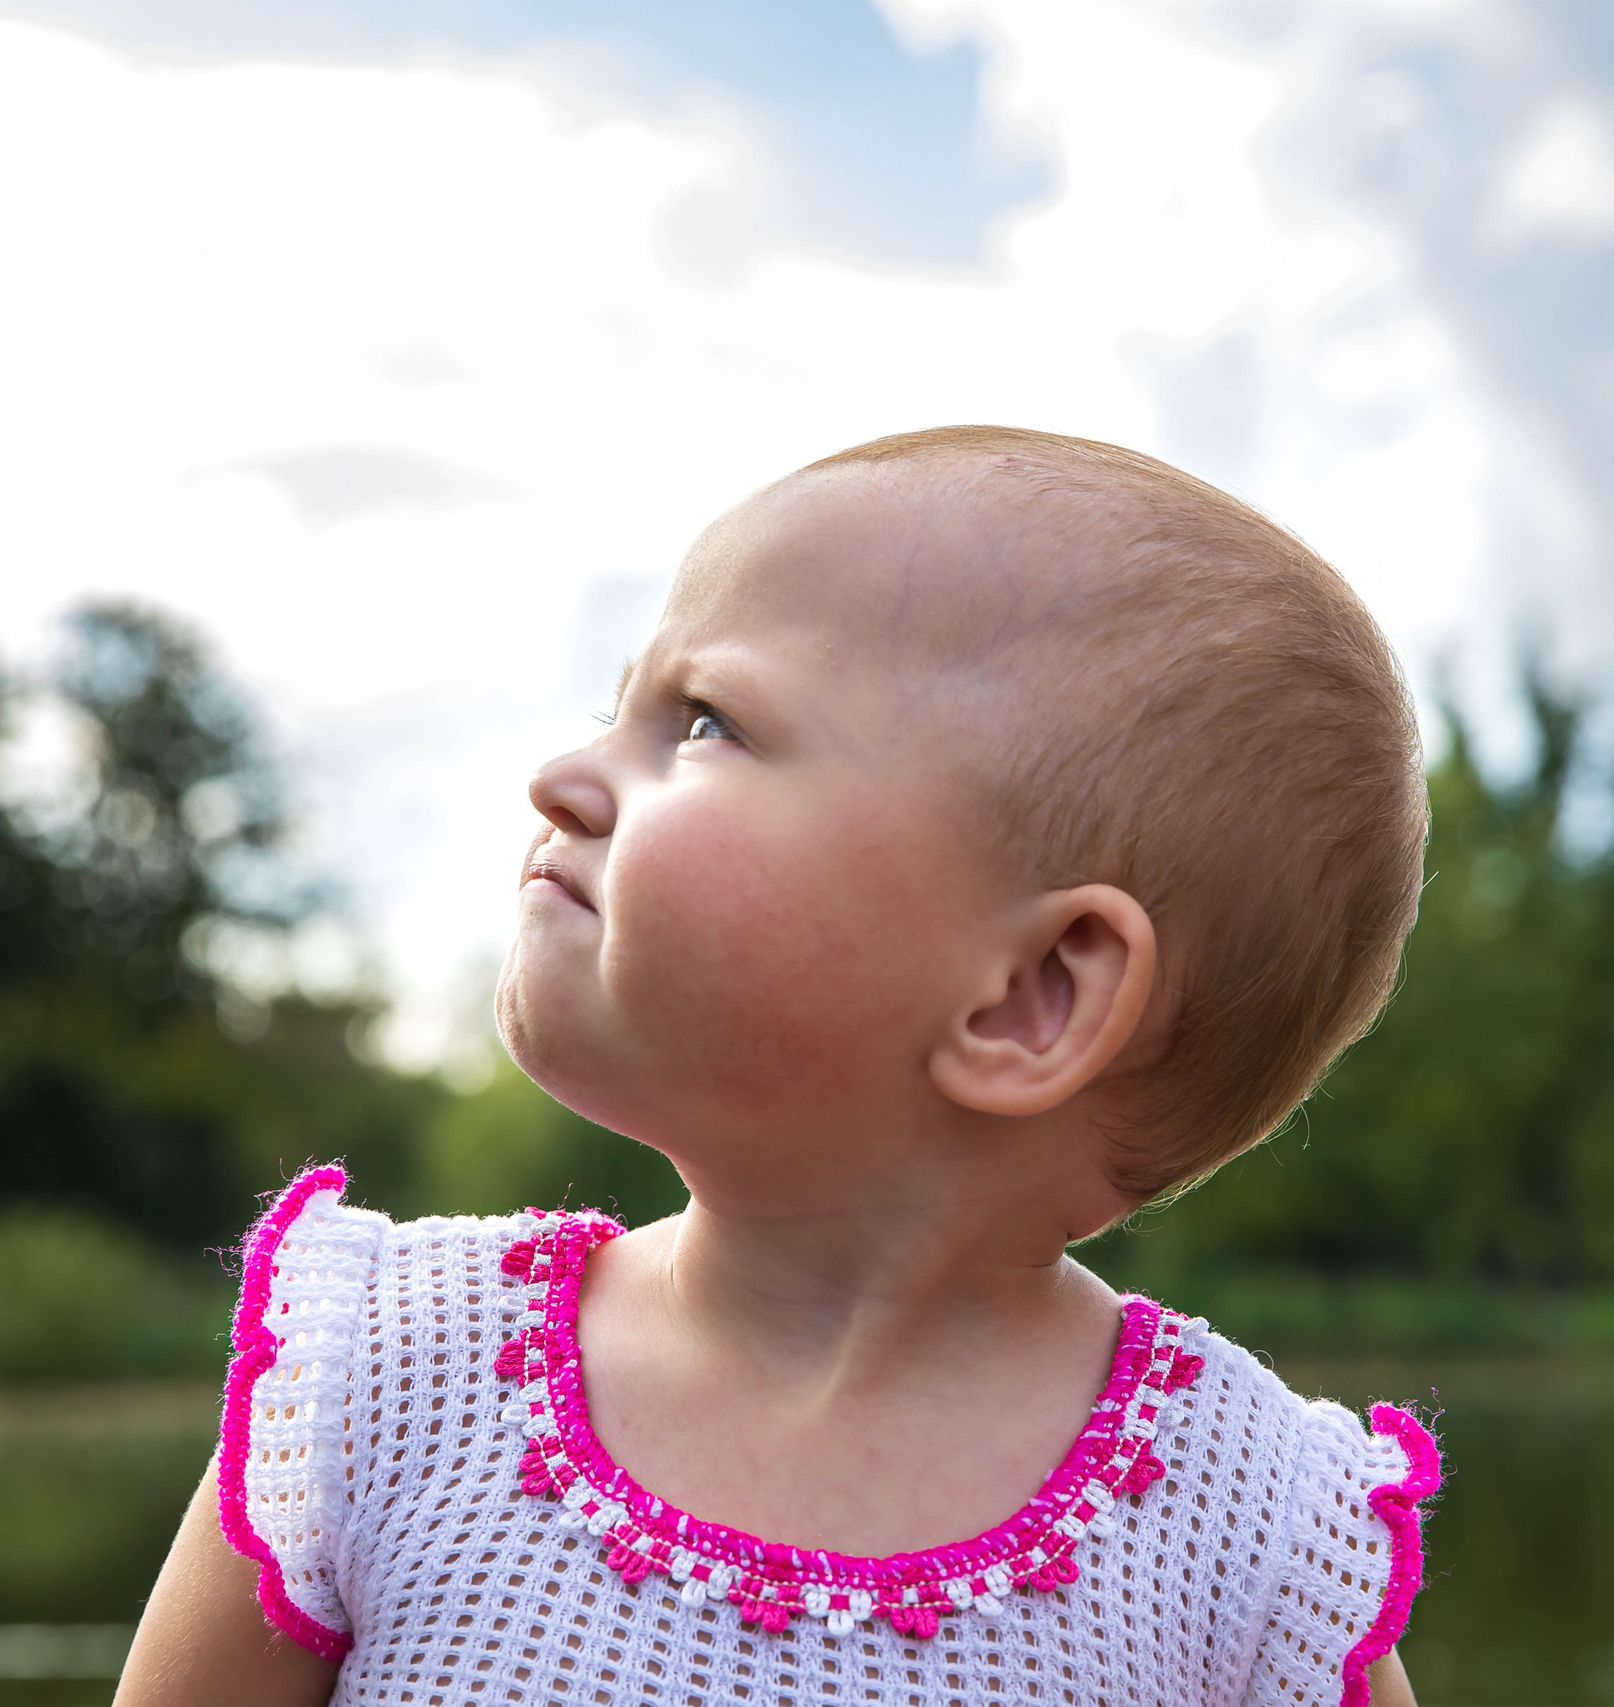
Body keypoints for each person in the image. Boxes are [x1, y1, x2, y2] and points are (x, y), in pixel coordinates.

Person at [116, 427, 1440, 1707]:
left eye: (703, 723)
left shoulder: (1255, 1548)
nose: (563, 777)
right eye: (617, 705)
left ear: (1031, 998)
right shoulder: (386, 1377)